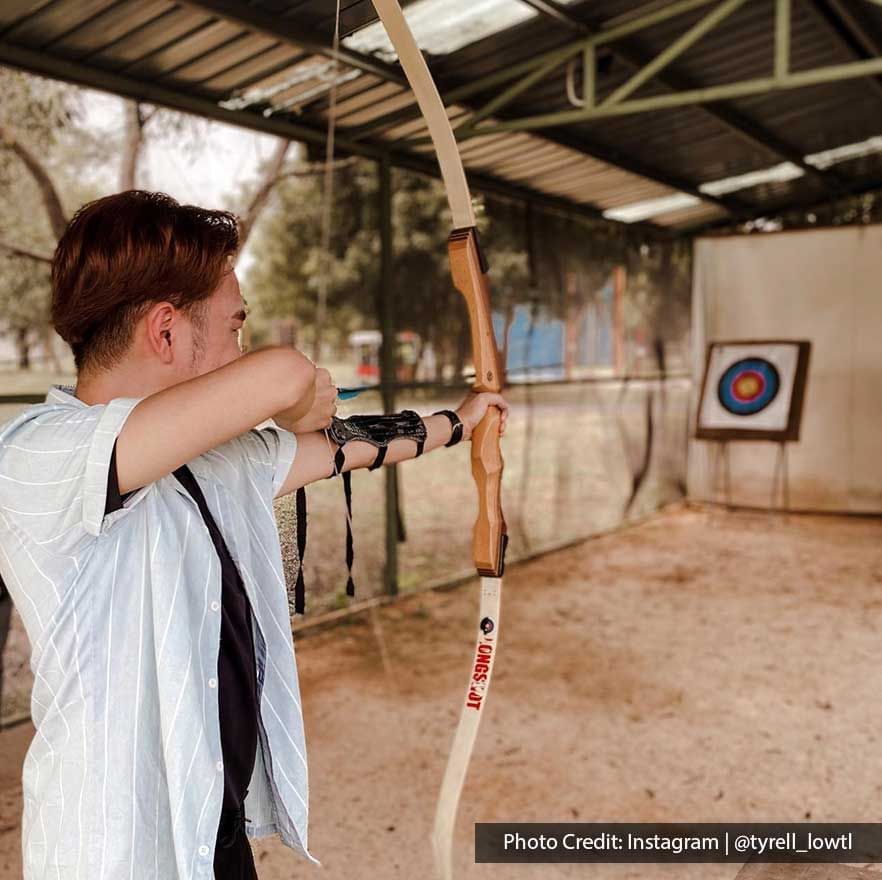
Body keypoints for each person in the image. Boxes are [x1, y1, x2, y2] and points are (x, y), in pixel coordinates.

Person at [0, 190, 508, 880]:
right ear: (167, 332)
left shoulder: (207, 455)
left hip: (213, 831)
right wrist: (301, 394)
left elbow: (349, 446)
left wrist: (461, 419)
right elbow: (284, 375)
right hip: (114, 848)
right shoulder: (39, 453)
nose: (243, 341)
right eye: (234, 326)